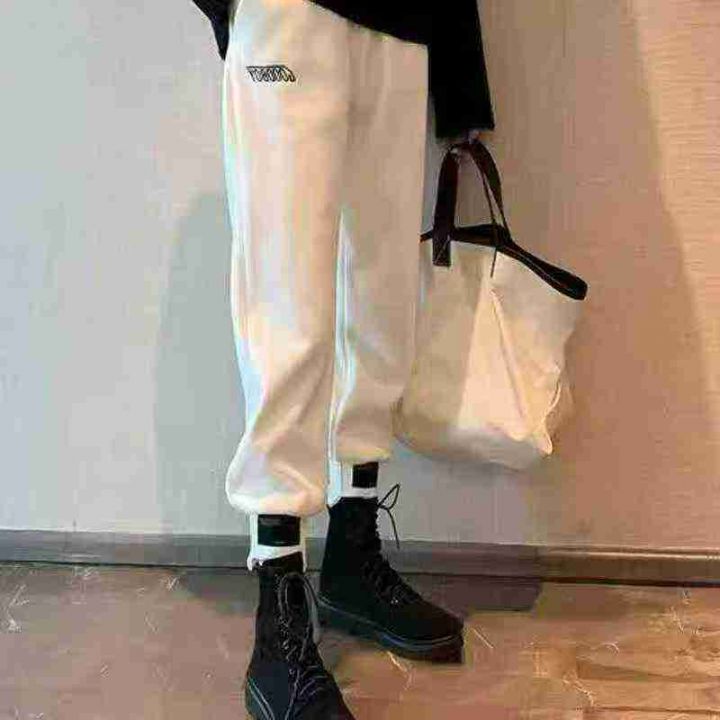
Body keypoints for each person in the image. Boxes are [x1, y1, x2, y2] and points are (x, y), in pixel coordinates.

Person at [190, 0, 495, 716]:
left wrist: (461, 80)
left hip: (402, 23)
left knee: (381, 300)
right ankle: (279, 598)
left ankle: (352, 553)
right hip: (289, 14)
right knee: (285, 305)